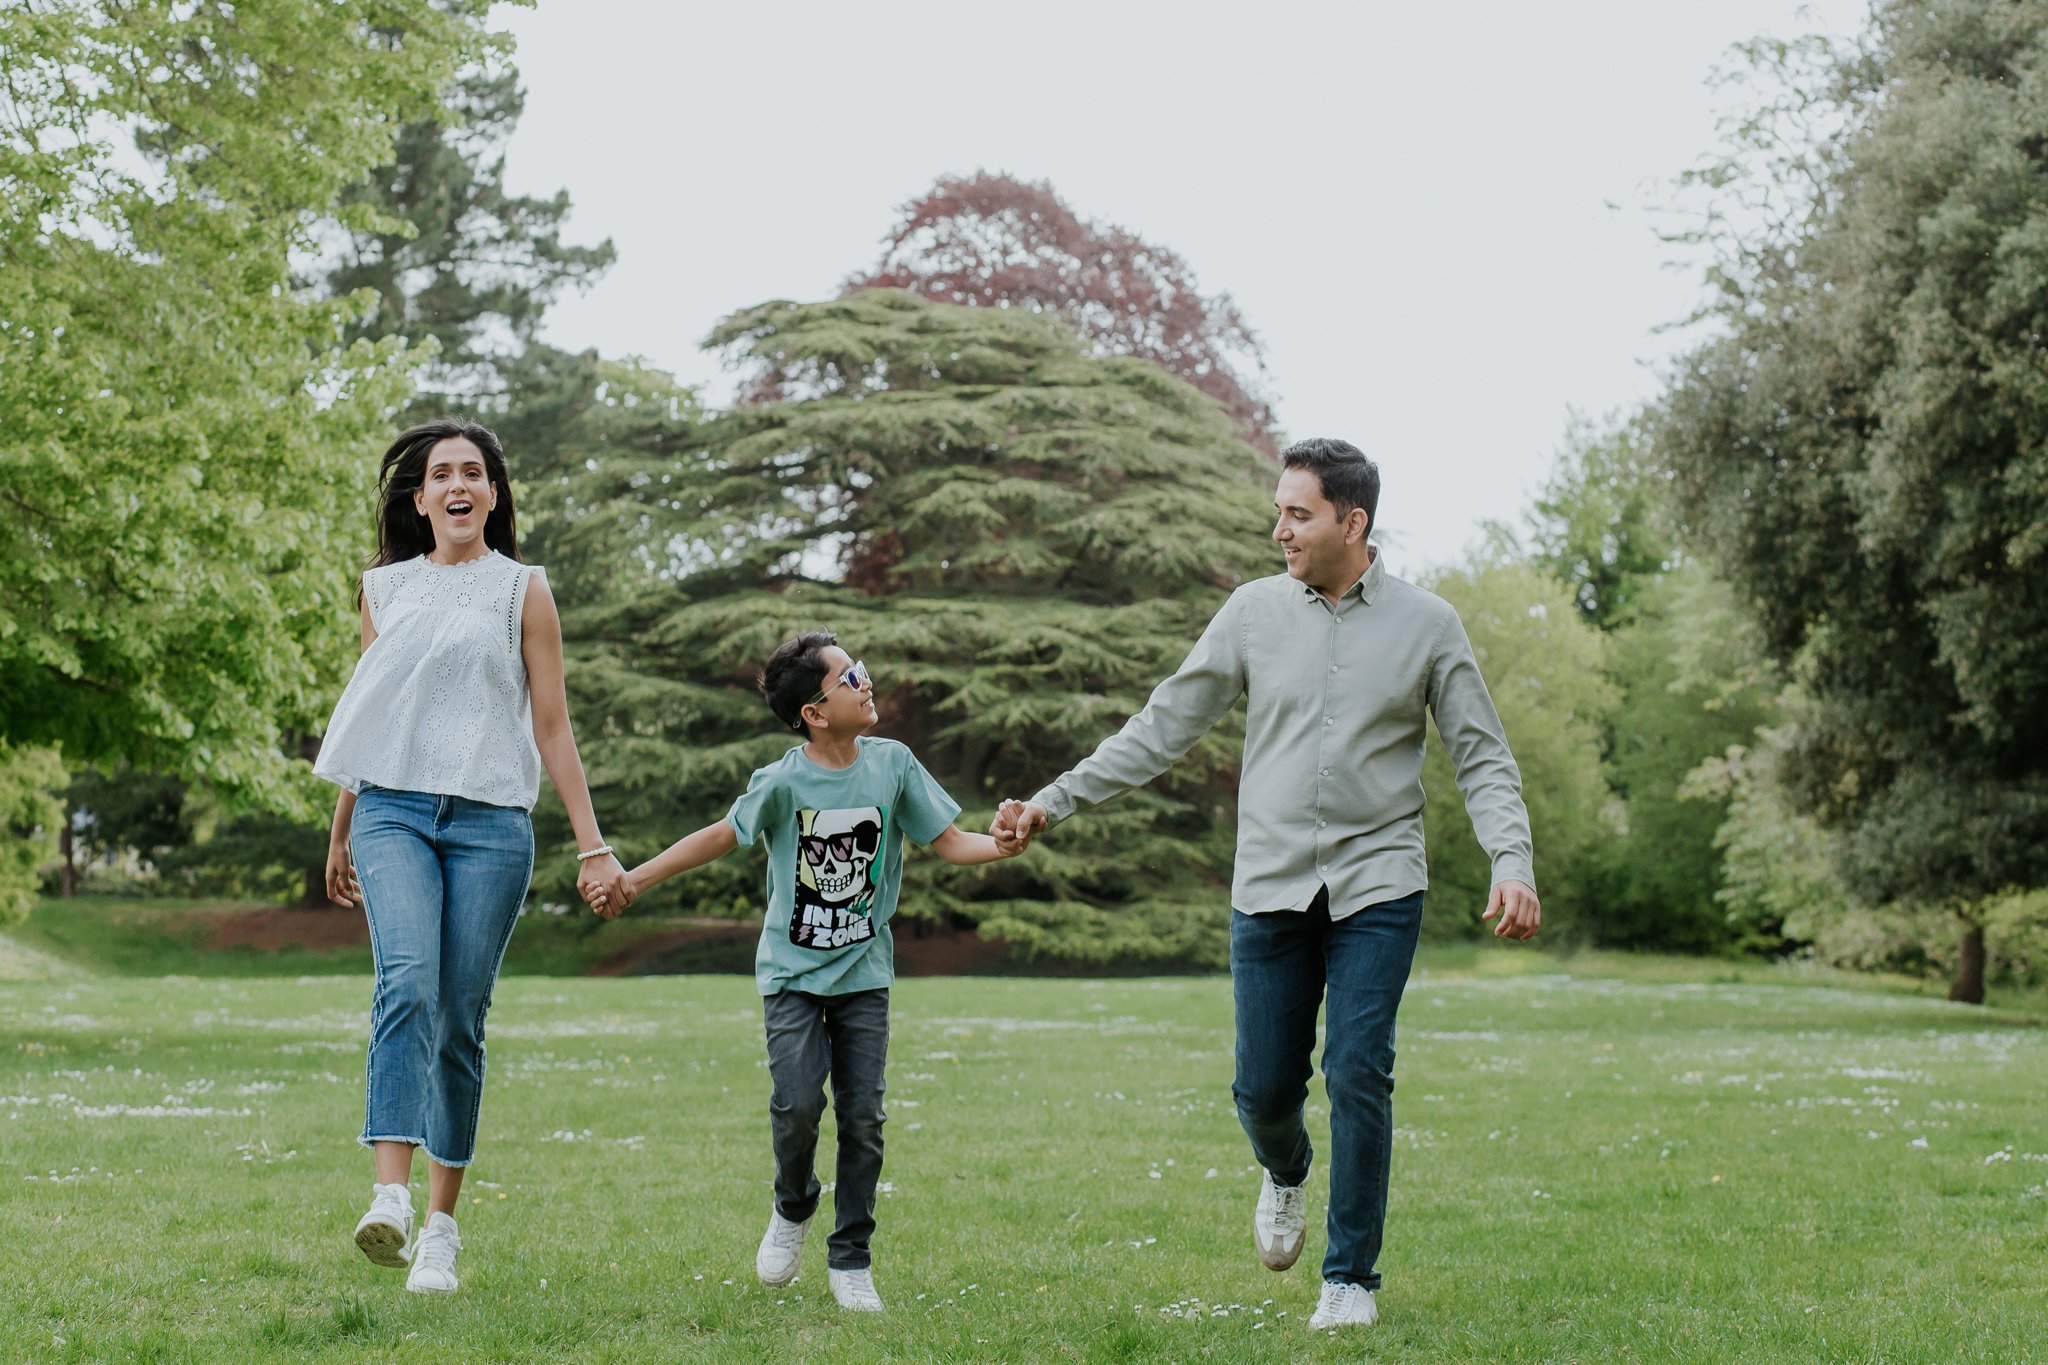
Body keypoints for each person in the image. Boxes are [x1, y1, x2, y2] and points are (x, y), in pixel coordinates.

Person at [993, 437, 1542, 1332]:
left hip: (1380, 880)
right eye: (1279, 509)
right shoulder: (1251, 613)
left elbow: (1482, 757)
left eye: (1297, 513)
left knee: (1360, 1068)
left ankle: (1350, 1279)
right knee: (1262, 1091)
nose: (1277, 528)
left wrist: (1510, 860)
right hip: (1271, 885)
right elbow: (1163, 725)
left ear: (1351, 522)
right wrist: (1055, 800)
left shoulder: (1429, 624)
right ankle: (1287, 1170)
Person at [594, 632, 1018, 1313]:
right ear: (814, 712)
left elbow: (949, 841)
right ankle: (793, 1205)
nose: (866, 681)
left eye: (861, 669)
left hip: (864, 974)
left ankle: (851, 1256)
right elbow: (720, 834)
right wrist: (634, 881)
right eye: (850, 676)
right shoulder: (784, 780)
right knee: (797, 1103)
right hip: (791, 974)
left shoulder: (894, 765)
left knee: (863, 1117)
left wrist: (1001, 844)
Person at [315, 418, 629, 1295]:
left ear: (492, 494)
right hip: (392, 810)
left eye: (473, 473)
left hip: (492, 820)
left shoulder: (523, 589)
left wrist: (592, 844)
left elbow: (552, 725)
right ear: (419, 499)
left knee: (459, 1015)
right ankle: (391, 1199)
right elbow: (374, 713)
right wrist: (342, 826)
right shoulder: (384, 586)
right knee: (405, 981)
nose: (457, 485)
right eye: (440, 474)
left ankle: (443, 1226)